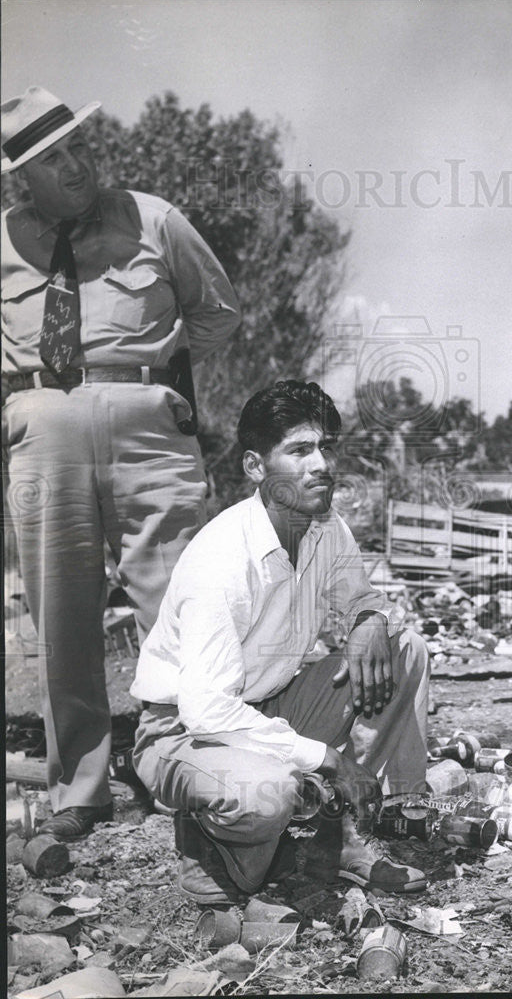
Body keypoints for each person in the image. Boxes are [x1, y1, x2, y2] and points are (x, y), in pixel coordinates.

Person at [1, 87, 241, 840]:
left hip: (146, 426)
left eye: (78, 147)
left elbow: (218, 311)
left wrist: (164, 373)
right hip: (42, 433)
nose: (74, 167)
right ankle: (82, 787)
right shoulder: (3, 238)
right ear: (21, 179)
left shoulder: (154, 217)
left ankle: (189, 767)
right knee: (62, 614)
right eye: (52, 160)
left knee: (178, 606)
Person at [130, 380, 429, 905]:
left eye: (326, 448)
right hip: (182, 732)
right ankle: (212, 845)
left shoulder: (324, 526)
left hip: (267, 704)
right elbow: (206, 711)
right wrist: (329, 760)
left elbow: (363, 596)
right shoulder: (222, 558)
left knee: (403, 652)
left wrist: (367, 621)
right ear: (254, 467)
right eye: (299, 450)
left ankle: (342, 835)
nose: (321, 465)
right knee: (266, 799)